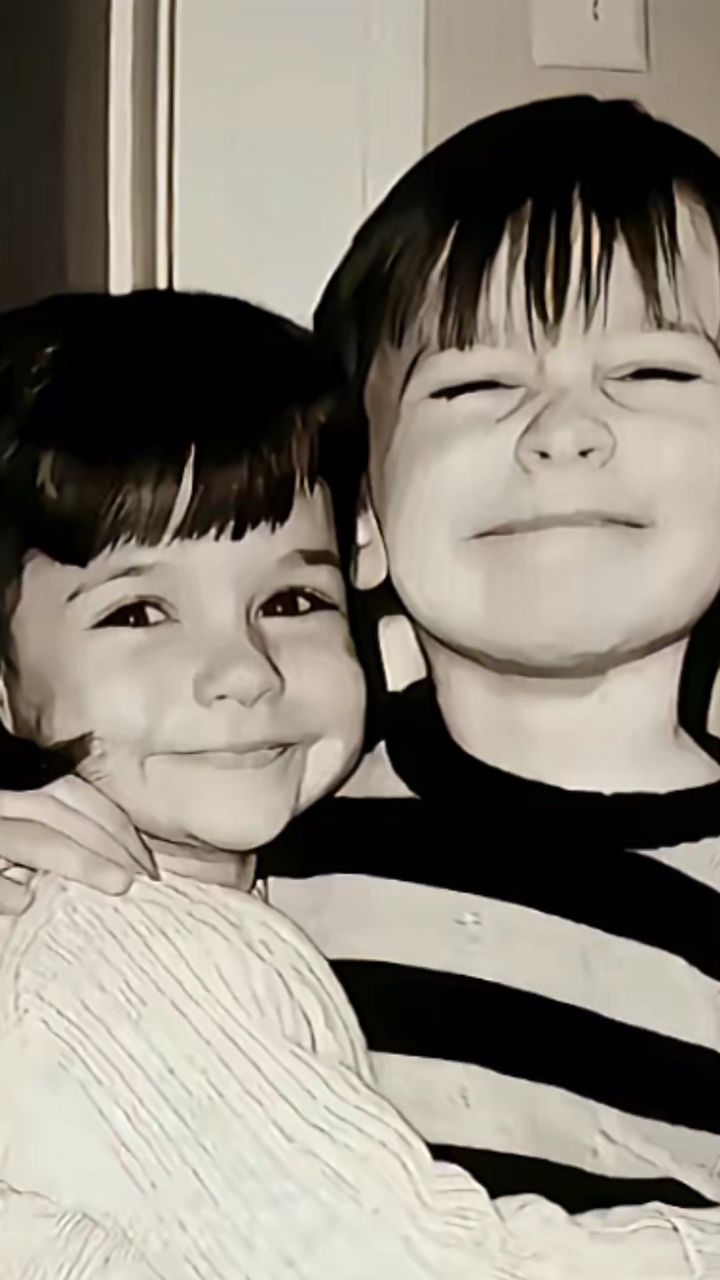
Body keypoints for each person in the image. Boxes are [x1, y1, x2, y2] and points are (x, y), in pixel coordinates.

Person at [1, 93, 720, 1221]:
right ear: (362, 512)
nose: (565, 431)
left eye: (656, 372)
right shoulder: (245, 795)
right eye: (476, 383)